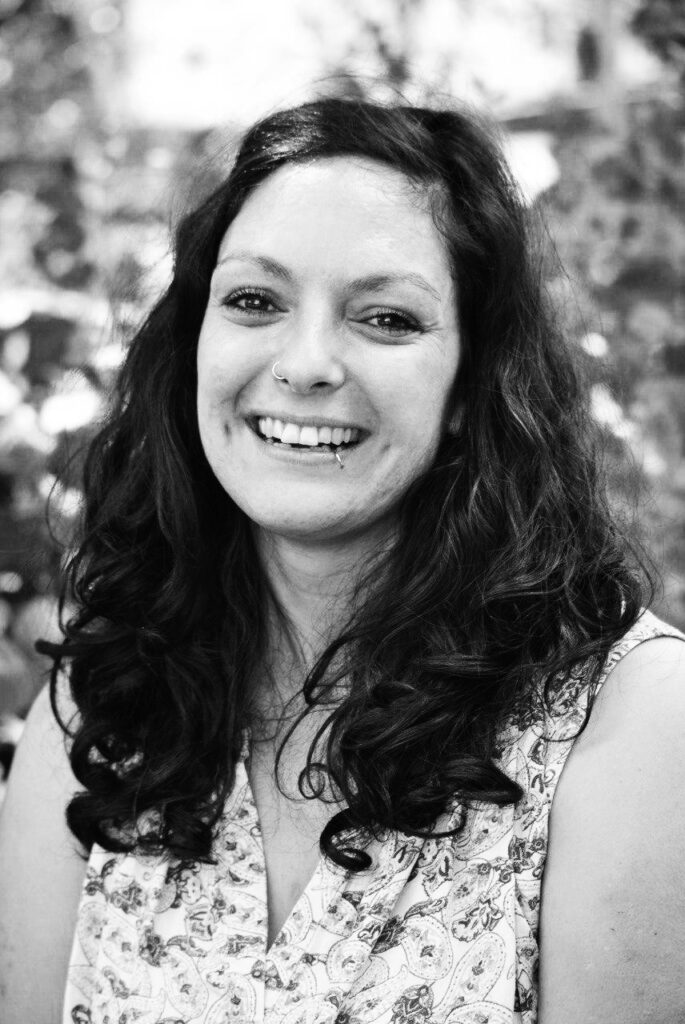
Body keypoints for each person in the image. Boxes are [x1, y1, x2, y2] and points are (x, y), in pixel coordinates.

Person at [0, 97, 684, 1024]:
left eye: (387, 318)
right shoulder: (101, 707)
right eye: (254, 301)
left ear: (470, 383)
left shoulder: (634, 724)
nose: (306, 362)